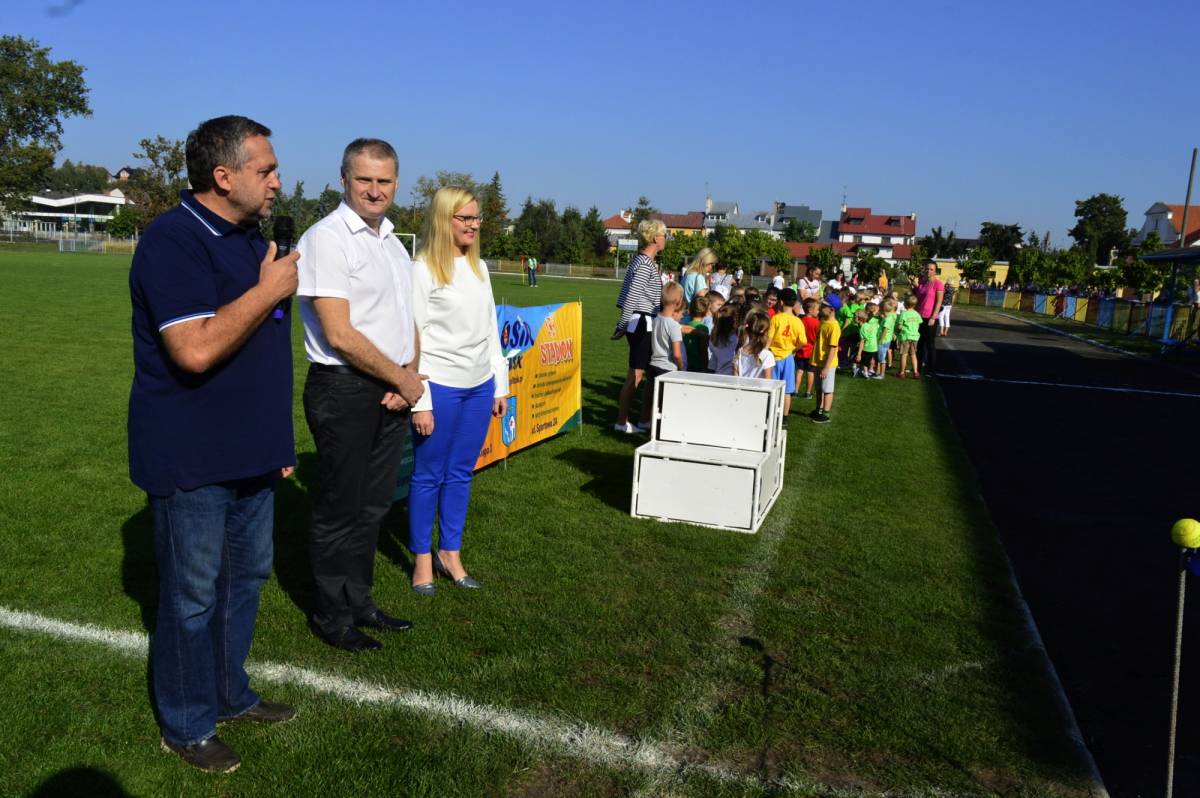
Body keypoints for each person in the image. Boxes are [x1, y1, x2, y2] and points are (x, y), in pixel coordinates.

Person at [128, 115, 299, 773]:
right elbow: (194, 350)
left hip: (252, 451)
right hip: (192, 455)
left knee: (245, 581)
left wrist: (278, 443)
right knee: (193, 596)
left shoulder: (252, 240)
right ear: (223, 176)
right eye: (266, 170)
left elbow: (266, 355)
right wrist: (267, 290)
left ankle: (229, 693)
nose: (277, 181)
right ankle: (186, 725)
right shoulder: (173, 240)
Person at [297, 138, 425, 652]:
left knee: (372, 507)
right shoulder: (327, 239)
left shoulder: (392, 242)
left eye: (384, 180)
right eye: (364, 179)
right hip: (344, 388)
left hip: (390, 387)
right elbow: (339, 334)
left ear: (396, 183)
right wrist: (401, 378)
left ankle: (359, 601)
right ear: (344, 179)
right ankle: (331, 617)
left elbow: (407, 320)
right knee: (340, 508)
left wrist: (407, 373)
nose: (375, 190)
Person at [408, 187, 508, 595]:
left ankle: (450, 553)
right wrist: (421, 401)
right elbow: (413, 337)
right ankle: (422, 560)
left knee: (461, 474)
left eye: (476, 218)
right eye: (464, 218)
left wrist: (499, 385)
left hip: (479, 387)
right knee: (428, 475)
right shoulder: (422, 269)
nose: (473, 225)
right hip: (440, 388)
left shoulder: (480, 267)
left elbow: (490, 330)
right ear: (443, 219)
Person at [612, 219, 666, 434]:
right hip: (641, 321)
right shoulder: (645, 264)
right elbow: (631, 297)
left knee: (645, 372)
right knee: (635, 373)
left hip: (643, 320)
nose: (665, 239)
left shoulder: (642, 261)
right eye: (664, 235)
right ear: (655, 238)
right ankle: (621, 422)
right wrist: (623, 324)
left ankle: (643, 420)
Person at [765, 287, 805, 419]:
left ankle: (770, 414)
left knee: (772, 387)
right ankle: (785, 417)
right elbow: (803, 342)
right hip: (788, 358)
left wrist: (764, 352)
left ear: (781, 302)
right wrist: (793, 350)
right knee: (787, 390)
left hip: (773, 357)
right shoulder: (798, 321)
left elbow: (769, 338)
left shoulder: (776, 318)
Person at [809, 303, 840, 424]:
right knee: (819, 388)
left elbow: (833, 348)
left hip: (828, 364)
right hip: (819, 361)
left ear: (831, 309)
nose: (820, 308)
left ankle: (826, 414)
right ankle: (819, 409)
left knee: (827, 389)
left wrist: (826, 367)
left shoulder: (834, 326)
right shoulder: (823, 322)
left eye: (823, 306)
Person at [914, 259, 945, 372]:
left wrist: (933, 317)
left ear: (935, 271)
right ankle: (918, 368)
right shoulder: (922, 282)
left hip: (931, 318)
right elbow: (917, 299)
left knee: (930, 344)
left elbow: (939, 302)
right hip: (919, 317)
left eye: (931, 269)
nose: (929, 271)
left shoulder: (938, 284)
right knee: (920, 343)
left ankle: (931, 369)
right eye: (927, 269)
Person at [734, 309, 775, 379]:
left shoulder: (738, 351)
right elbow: (768, 382)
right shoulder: (767, 355)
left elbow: (735, 378)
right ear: (765, 332)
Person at [798, 297, 821, 397]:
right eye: (817, 309)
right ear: (810, 310)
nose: (818, 311)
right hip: (811, 351)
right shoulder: (817, 323)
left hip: (800, 350)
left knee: (799, 370)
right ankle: (808, 392)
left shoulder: (801, 321)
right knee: (810, 372)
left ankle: (795, 391)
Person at [707, 303, 739, 375]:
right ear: (734, 319)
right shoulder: (737, 338)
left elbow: (713, 362)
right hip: (733, 376)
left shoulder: (714, 338)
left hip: (719, 375)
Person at [897, 294, 923, 379]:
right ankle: (915, 372)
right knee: (913, 354)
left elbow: (899, 326)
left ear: (905, 304)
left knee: (904, 355)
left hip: (906, 336)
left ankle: (902, 372)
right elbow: (918, 325)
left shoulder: (904, 314)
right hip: (915, 337)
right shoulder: (917, 314)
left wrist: (899, 329)